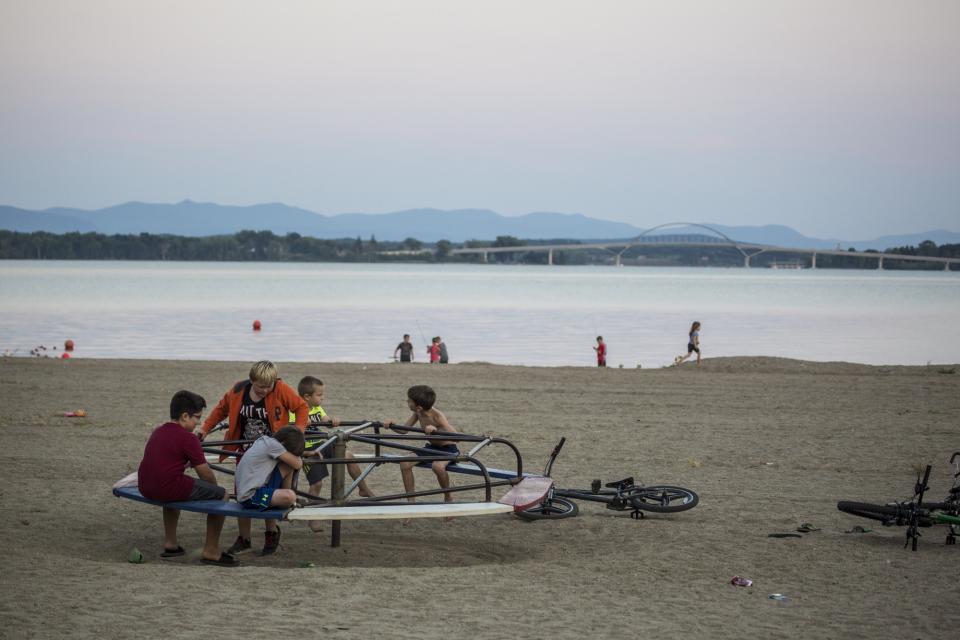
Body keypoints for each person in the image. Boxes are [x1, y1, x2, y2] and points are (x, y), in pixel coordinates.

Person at [199, 360, 308, 554]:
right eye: (260, 387)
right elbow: (221, 409)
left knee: (269, 489)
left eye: (269, 386)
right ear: (251, 381)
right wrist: (205, 429)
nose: (265, 390)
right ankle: (244, 538)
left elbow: (301, 407)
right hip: (246, 450)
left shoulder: (281, 389)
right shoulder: (238, 390)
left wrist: (298, 433)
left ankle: (271, 533)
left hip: (274, 451)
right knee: (242, 489)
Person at [137, 390, 238, 567]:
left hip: (145, 485)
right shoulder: (188, 438)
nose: (198, 422)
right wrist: (214, 491)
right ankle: (211, 551)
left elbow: (165, 460)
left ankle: (171, 544)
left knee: (173, 490)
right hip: (166, 487)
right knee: (222, 495)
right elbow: (204, 472)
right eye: (197, 418)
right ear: (185, 416)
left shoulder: (159, 431)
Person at [292, 376, 373, 532]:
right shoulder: (294, 409)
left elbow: (326, 419)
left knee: (347, 455)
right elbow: (291, 431)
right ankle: (313, 517)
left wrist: (332, 421)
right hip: (306, 449)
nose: (322, 398)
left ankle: (363, 488)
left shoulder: (316, 408)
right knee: (317, 484)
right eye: (319, 395)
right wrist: (300, 422)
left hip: (322, 444)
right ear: (307, 397)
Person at [385, 385, 459, 521]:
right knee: (405, 463)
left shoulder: (437, 417)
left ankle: (448, 499)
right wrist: (392, 425)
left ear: (418, 406)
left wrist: (437, 430)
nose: (407, 402)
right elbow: (404, 430)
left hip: (448, 450)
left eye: (409, 401)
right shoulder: (418, 413)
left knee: (437, 467)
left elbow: (456, 437)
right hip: (431, 448)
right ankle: (411, 506)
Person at [234, 426, 305, 555]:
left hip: (258, 487)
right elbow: (298, 464)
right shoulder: (274, 446)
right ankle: (286, 504)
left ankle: (285, 504)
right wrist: (297, 457)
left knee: (287, 466)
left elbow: (291, 463)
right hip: (251, 497)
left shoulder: (265, 441)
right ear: (283, 444)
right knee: (289, 496)